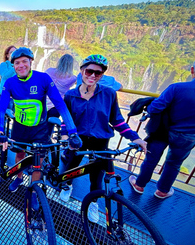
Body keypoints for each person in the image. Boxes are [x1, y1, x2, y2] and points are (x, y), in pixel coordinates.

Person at [60, 54, 147, 223]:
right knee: (71, 165)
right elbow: (67, 120)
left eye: (97, 73)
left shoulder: (108, 94)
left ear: (102, 75)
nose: (92, 76)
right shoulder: (70, 95)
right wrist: (65, 138)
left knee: (97, 176)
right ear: (82, 71)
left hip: (100, 141)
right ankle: (67, 185)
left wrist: (135, 138)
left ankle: (93, 202)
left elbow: (117, 120)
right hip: (77, 139)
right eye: (89, 71)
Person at [0, 47, 82, 204]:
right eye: (17, 63)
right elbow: (1, 108)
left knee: (38, 161)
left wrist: (73, 132)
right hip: (19, 127)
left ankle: (35, 189)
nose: (21, 65)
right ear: (13, 65)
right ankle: (19, 178)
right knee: (20, 155)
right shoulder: (10, 83)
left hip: (39, 128)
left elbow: (60, 104)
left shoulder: (43, 79)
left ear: (31, 62)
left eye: (24, 61)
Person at [129, 57, 195, 199]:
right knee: (174, 164)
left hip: (162, 132)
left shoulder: (177, 88)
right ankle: (162, 191)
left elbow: (155, 108)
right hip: (189, 136)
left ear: (193, 70)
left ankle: (139, 185)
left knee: (151, 159)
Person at [44, 54, 76, 139]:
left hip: (43, 102)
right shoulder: (72, 79)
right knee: (49, 127)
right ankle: (48, 144)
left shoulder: (49, 71)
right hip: (56, 106)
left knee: (40, 125)